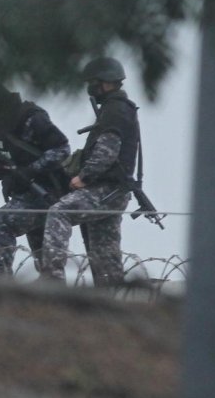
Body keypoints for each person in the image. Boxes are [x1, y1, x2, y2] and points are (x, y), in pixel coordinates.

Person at [39, 57, 141, 287]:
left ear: (105, 83)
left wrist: (84, 177)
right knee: (104, 248)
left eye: (92, 82)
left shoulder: (114, 110)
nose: (89, 88)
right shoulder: (119, 108)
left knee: (59, 212)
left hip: (106, 188)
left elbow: (107, 150)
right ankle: (113, 294)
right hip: (114, 191)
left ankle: (52, 280)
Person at [0, 79, 70, 278]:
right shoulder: (1, 127)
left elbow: (62, 148)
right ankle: (54, 297)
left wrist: (31, 170)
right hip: (26, 195)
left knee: (0, 221)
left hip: (46, 192)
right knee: (44, 260)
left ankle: (1, 280)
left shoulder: (31, 118)